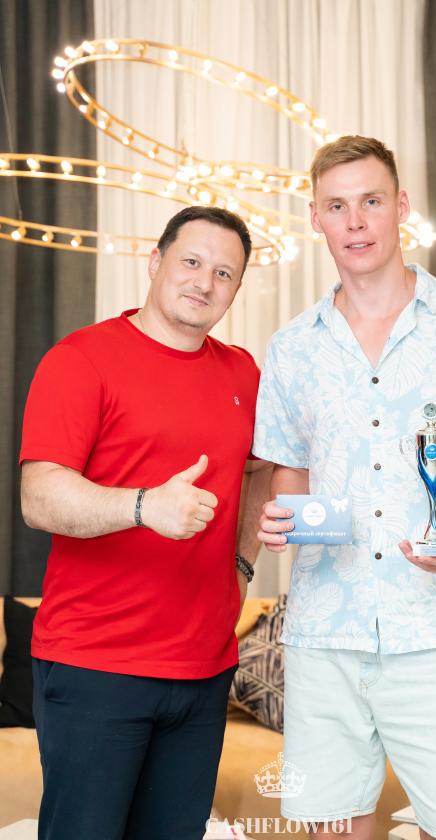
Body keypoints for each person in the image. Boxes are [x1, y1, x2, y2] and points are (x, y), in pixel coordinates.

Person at [254, 136, 436, 840]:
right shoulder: (292, 347)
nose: (355, 222)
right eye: (336, 206)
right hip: (324, 636)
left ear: (401, 207)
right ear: (315, 218)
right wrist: (288, 517)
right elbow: (289, 470)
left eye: (371, 201)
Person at [20, 205, 270, 840]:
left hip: (203, 669)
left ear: (236, 289)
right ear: (155, 262)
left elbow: (260, 471)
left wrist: (242, 565)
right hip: (96, 665)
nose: (204, 282)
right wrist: (141, 506)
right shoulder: (81, 359)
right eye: (191, 262)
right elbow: (39, 497)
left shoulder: (243, 372)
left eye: (223, 273)